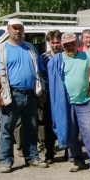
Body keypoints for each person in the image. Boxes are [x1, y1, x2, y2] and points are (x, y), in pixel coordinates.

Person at [0, 18, 49, 173]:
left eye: (20, 28)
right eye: (14, 28)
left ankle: (32, 157)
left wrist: (40, 91)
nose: (17, 31)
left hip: (31, 95)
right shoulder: (0, 50)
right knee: (7, 129)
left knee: (31, 128)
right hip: (11, 95)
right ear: (8, 29)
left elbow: (39, 71)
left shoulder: (30, 48)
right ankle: (6, 161)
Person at [48, 33, 90, 174]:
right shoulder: (58, 60)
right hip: (65, 104)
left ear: (77, 42)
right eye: (66, 44)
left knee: (89, 132)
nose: (70, 46)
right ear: (63, 45)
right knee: (71, 133)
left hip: (84, 102)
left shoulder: (86, 56)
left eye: (72, 43)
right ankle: (77, 160)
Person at [39, 30, 62, 163]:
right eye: (52, 42)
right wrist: (42, 93)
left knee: (66, 123)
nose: (55, 45)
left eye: (57, 42)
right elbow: (41, 76)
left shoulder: (66, 55)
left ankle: (69, 152)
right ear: (49, 43)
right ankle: (49, 153)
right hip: (48, 95)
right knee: (48, 124)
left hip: (63, 95)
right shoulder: (44, 57)